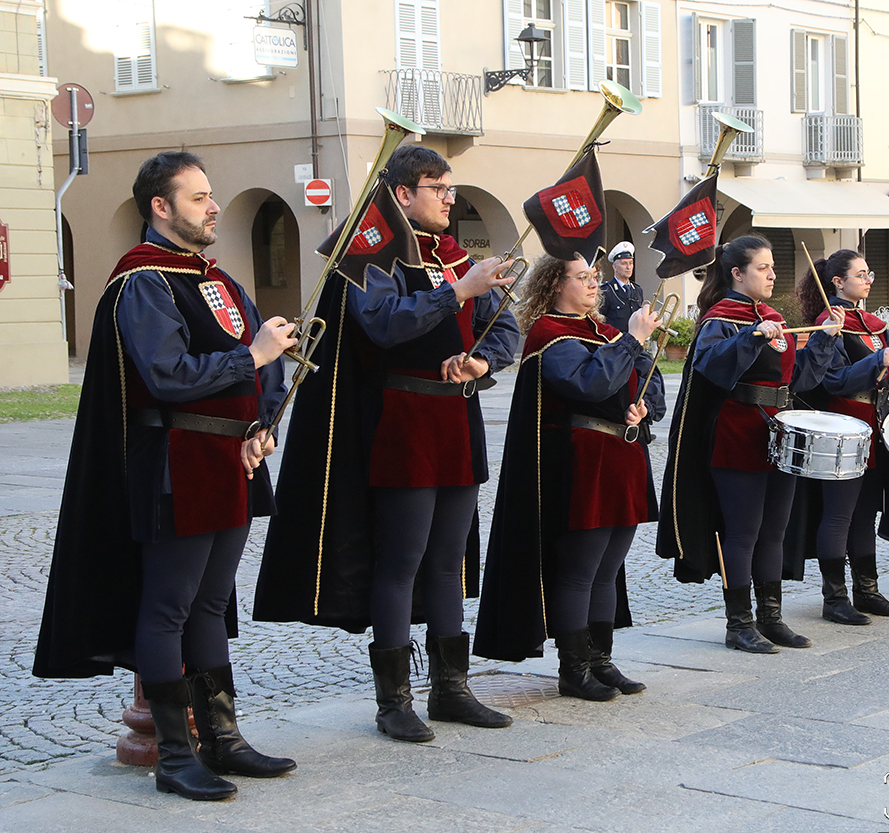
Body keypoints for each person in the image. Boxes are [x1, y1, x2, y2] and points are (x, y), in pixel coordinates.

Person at [33, 151, 298, 801]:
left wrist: (263, 423)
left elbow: (260, 375)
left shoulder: (216, 278)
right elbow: (169, 375)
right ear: (161, 206)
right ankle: (176, 756)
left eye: (212, 196)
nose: (213, 207)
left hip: (230, 462)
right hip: (176, 465)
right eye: (199, 197)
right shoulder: (144, 281)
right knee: (168, 607)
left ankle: (224, 739)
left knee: (210, 604)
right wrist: (253, 353)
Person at [254, 145, 518, 742]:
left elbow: (506, 326)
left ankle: (451, 689)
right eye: (437, 187)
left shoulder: (453, 255)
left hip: (456, 419)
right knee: (401, 561)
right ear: (402, 194)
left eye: (452, 187)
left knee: (449, 561)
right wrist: (459, 290)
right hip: (401, 421)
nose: (450, 197)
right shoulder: (370, 252)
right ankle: (393, 700)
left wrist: (482, 360)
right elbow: (383, 323)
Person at [475, 254, 664, 700]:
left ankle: (601, 660)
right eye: (582, 277)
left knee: (608, 570)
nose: (593, 284)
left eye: (594, 277)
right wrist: (633, 340)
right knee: (580, 572)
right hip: (584, 465)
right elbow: (590, 384)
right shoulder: (551, 335)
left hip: (623, 458)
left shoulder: (605, 331)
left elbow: (645, 380)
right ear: (555, 285)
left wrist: (644, 404)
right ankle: (573, 668)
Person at [658, 235, 841, 653]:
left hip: (779, 433)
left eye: (773, 266)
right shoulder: (720, 319)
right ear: (737, 274)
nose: (773, 274)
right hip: (738, 433)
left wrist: (826, 339)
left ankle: (771, 618)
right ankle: (738, 624)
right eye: (763, 267)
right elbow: (711, 368)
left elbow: (800, 380)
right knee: (743, 532)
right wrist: (751, 338)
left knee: (774, 531)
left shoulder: (774, 316)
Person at [788, 249, 889, 626]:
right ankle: (834, 598)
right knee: (839, 514)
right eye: (861, 274)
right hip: (844, 423)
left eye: (869, 273)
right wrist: (874, 361)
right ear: (837, 281)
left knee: (865, 513)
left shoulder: (872, 322)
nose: (868, 279)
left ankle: (867, 590)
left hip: (875, 421)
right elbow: (830, 380)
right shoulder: (830, 320)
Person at [599, 241, 645, 335]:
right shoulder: (606, 290)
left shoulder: (637, 290)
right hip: (615, 343)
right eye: (624, 263)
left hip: (635, 342)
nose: (628, 267)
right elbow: (600, 321)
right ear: (615, 267)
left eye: (631, 263)